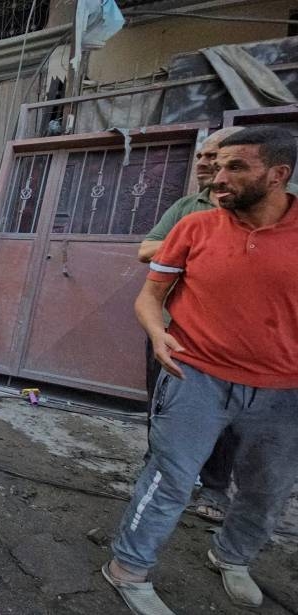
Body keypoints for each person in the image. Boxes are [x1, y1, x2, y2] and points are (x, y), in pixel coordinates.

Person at [103, 126, 298, 615]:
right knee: (169, 477)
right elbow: (151, 296)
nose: (218, 178)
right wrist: (156, 332)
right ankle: (128, 567)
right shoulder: (194, 226)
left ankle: (232, 557)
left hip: (283, 389)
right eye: (217, 165)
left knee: (266, 486)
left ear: (278, 175)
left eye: (236, 167)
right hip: (195, 375)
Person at [137, 127, 245, 525]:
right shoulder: (188, 208)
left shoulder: (276, 208)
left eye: (213, 156)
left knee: (229, 417)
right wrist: (193, 246)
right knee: (162, 403)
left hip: (242, 339)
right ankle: (158, 469)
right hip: (173, 328)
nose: (204, 163)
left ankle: (215, 487)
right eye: (201, 156)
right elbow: (146, 249)